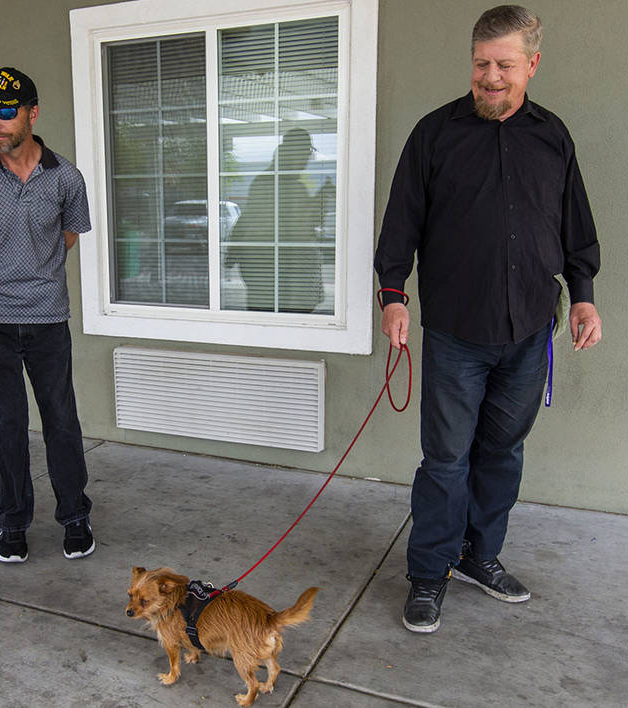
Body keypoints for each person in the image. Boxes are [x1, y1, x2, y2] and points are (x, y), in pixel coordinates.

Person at [374, 6, 602, 633]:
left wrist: (582, 294)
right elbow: (401, 225)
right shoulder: (434, 133)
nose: (491, 78)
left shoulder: (553, 136)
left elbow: (574, 225)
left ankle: (481, 557)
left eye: (504, 65)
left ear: (532, 63)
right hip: (455, 332)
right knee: (445, 459)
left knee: (502, 451)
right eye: (481, 65)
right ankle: (428, 574)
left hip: (529, 330)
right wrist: (393, 295)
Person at [0, 67, 94, 564]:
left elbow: (67, 238)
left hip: (49, 318)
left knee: (62, 421)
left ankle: (74, 516)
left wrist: (32, 273)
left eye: (4, 112)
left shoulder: (66, 177)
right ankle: (12, 523)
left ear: (32, 113)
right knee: (6, 426)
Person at [226, 128, 324, 312]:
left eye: (308, 154)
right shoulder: (275, 183)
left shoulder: (279, 182)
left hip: (281, 273)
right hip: (271, 271)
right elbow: (295, 227)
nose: (306, 160)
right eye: (305, 153)